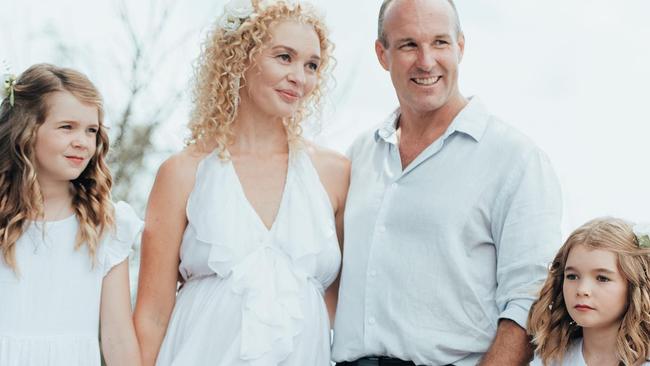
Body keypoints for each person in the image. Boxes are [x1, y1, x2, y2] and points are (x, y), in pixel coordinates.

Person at [332, 0, 563, 365]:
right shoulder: (360, 154)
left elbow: (530, 302)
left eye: (439, 42)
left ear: (460, 47)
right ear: (382, 53)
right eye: (409, 44)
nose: (426, 61)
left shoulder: (515, 159)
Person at [133, 0, 349, 365]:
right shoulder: (183, 173)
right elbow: (152, 315)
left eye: (312, 65)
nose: (300, 76)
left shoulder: (335, 173)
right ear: (239, 59)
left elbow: (341, 304)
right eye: (284, 57)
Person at [0, 64, 142, 366]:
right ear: (26, 130)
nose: (83, 141)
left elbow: (117, 336)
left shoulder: (106, 224)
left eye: (91, 130)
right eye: (67, 127)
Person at [528, 218, 650, 366]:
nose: (582, 290)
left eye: (602, 278)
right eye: (572, 276)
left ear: (634, 286)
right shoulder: (550, 359)